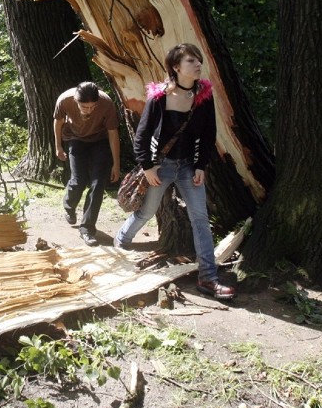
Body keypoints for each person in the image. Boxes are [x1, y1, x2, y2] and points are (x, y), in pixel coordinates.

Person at [113, 43, 235, 300]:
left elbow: (208, 133)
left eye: (198, 60)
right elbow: (142, 135)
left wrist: (201, 165)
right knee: (146, 211)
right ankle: (121, 243)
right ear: (176, 67)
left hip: (189, 167)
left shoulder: (203, 96)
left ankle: (208, 279)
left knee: (200, 219)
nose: (198, 64)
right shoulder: (159, 98)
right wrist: (147, 167)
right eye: (191, 61)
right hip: (161, 167)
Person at [54, 82, 120, 247]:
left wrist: (116, 164)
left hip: (99, 140)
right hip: (75, 138)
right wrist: (58, 146)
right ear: (76, 100)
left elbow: (113, 133)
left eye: (92, 107)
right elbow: (58, 122)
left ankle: (87, 228)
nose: (88, 110)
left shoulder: (106, 103)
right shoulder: (65, 100)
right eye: (84, 107)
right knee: (79, 180)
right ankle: (69, 205)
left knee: (98, 184)